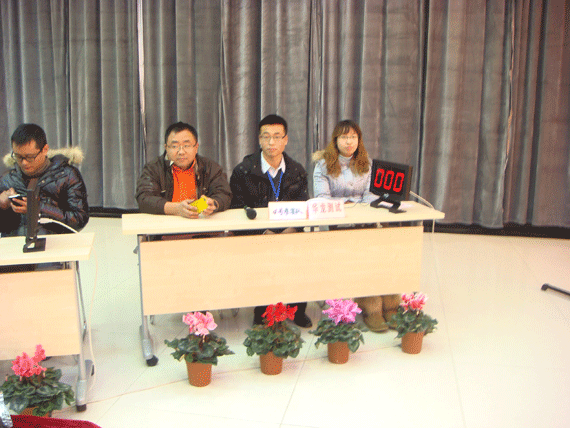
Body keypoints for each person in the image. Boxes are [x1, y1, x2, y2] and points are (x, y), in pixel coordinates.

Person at [312, 119, 399, 332]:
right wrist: (352, 204)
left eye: (353, 137)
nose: (349, 142)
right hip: (335, 226)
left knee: (380, 253)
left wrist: (360, 207)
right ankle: (370, 306)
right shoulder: (322, 165)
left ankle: (388, 303)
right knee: (354, 259)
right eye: (344, 137)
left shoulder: (366, 163)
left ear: (359, 140)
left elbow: (371, 194)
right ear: (335, 140)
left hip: (363, 223)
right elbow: (322, 198)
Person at [230, 114, 312, 328]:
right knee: (262, 259)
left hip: (290, 232)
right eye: (266, 137)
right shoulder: (243, 171)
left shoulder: (297, 171)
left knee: (303, 254)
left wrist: (290, 231)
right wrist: (264, 233)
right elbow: (236, 208)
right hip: (257, 234)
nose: (271, 142)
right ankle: (262, 310)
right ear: (259, 140)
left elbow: (304, 206)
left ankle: (297, 309)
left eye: (277, 136)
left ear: (286, 140)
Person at [0, 123, 89, 237]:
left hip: (55, 244)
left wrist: (39, 208)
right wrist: (2, 206)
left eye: (30, 157)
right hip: (15, 245)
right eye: (18, 156)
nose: (24, 162)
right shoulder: (7, 180)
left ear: (45, 150)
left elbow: (79, 219)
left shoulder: (67, 175)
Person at [136, 122, 231, 217]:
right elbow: (144, 199)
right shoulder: (153, 168)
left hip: (201, 221)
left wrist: (213, 203)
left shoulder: (210, 167)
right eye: (174, 146)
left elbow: (224, 194)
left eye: (186, 146)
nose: (181, 152)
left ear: (196, 147)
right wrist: (176, 209)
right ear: (166, 148)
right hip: (166, 222)